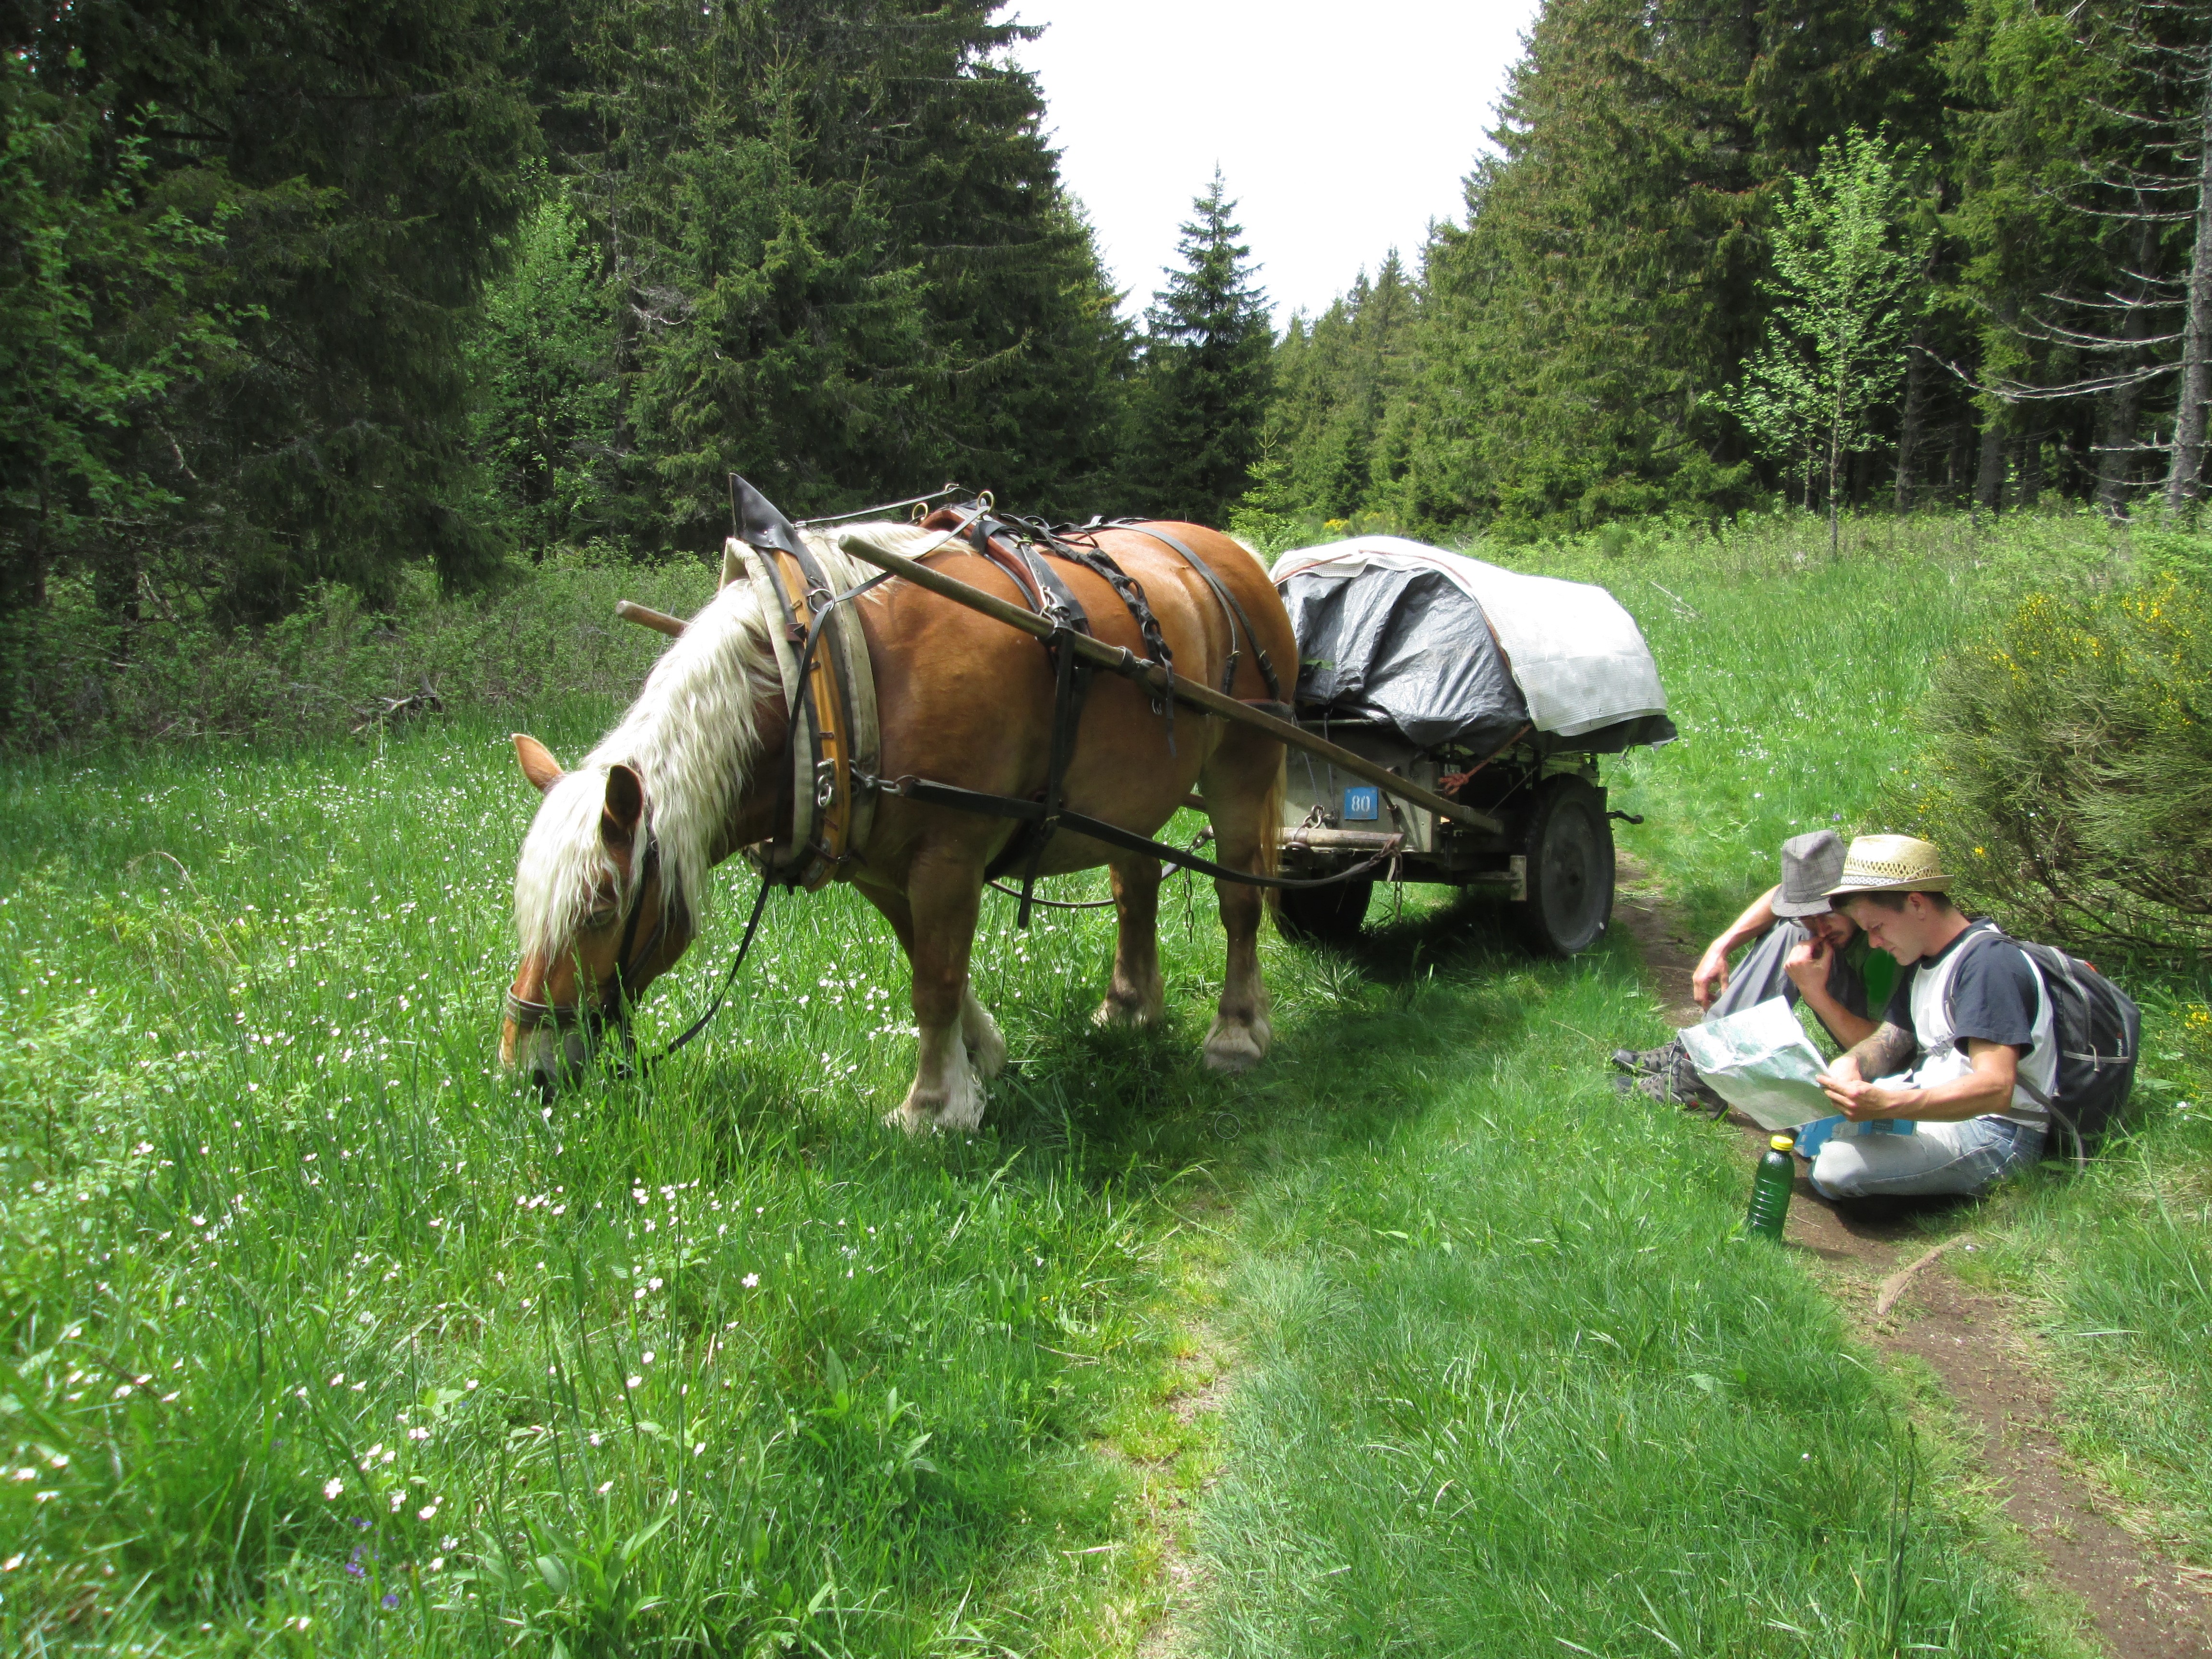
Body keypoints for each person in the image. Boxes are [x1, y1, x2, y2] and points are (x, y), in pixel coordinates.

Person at [1812, 834, 2052, 1201]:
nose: (1874, 943)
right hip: (1933, 1113)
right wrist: (1850, 1064)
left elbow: (1995, 1088)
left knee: (1836, 1167)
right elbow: (1891, 1039)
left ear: (1916, 903)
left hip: (1996, 1135)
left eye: (1876, 928)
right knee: (1806, 1126)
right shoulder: (1924, 960)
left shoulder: (1989, 964)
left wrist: (1889, 1105)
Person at [1614, 829, 1886, 1106]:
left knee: (1797, 934)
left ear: (1853, 895)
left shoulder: (1886, 941)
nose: (1820, 928)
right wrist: (1721, 947)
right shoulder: (1842, 919)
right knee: (1793, 929)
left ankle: (1702, 1074)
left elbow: (1884, 1053)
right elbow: (1780, 897)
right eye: (1808, 916)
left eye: (1827, 914)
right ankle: (1699, 1054)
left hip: (1892, 1071)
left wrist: (1814, 992)